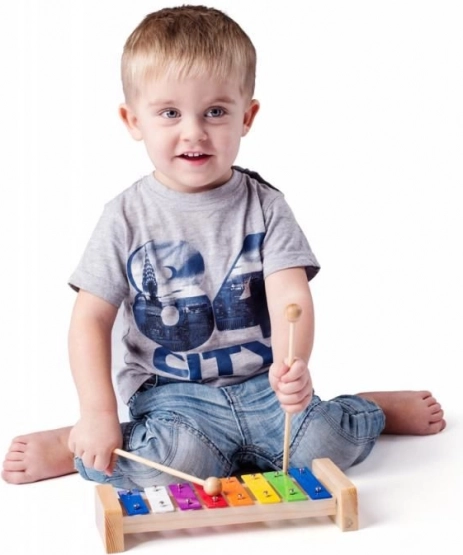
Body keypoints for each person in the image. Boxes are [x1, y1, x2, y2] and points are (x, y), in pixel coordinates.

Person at [2, 5, 445, 489]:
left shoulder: (266, 206)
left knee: (322, 445)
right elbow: (89, 319)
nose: (193, 131)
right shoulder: (124, 217)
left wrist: (292, 365)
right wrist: (97, 411)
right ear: (133, 120)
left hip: (263, 389)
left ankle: (370, 409)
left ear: (247, 116)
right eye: (170, 113)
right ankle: (81, 442)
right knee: (174, 462)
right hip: (174, 397)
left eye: (215, 112)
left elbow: (291, 296)